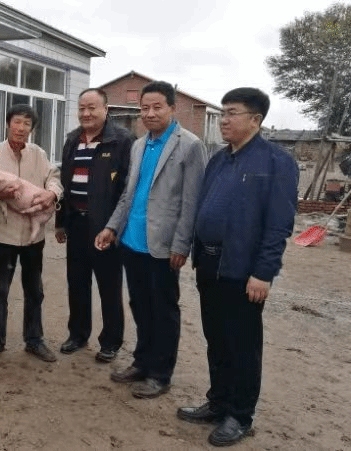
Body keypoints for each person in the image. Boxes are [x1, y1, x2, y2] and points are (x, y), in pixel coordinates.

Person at [177, 88, 298, 447]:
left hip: (243, 270)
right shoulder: (219, 159)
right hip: (209, 263)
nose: (224, 120)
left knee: (242, 345)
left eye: (232, 113)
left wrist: (264, 272)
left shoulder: (276, 162)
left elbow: (279, 225)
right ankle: (218, 403)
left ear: (255, 120)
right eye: (223, 113)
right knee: (216, 340)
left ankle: (239, 415)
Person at [95, 81, 205, 398]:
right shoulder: (139, 145)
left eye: (157, 107)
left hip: (163, 246)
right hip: (132, 241)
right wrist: (112, 227)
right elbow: (129, 195)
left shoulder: (190, 145)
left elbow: (192, 202)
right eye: (145, 108)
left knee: (163, 310)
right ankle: (142, 362)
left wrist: (182, 245)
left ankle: (160, 373)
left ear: (172, 108)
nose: (150, 113)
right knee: (140, 305)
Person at [0, 104, 63, 363]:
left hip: (34, 237)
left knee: (34, 290)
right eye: (17, 122)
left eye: (27, 124)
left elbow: (54, 178)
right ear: (8, 123)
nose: (21, 128)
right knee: (0, 290)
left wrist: (52, 193)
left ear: (32, 128)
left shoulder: (39, 154)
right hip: (3, 235)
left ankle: (34, 340)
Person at [55, 89, 133, 362]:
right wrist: (61, 222)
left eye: (92, 108)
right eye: (82, 108)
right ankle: (78, 334)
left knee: (109, 285)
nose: (86, 113)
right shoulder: (72, 139)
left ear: (106, 109)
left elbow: (127, 190)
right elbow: (64, 184)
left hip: (104, 228)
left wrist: (114, 227)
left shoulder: (122, 140)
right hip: (76, 222)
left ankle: (111, 341)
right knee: (77, 282)